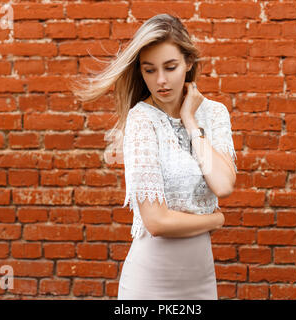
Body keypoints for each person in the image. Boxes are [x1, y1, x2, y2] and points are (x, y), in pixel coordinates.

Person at [69, 13, 237, 300]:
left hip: (201, 282)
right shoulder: (141, 120)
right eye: (149, 70)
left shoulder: (215, 113)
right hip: (149, 284)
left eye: (170, 67)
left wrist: (190, 121)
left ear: (188, 63)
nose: (161, 81)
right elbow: (157, 222)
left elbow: (223, 185)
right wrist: (215, 220)